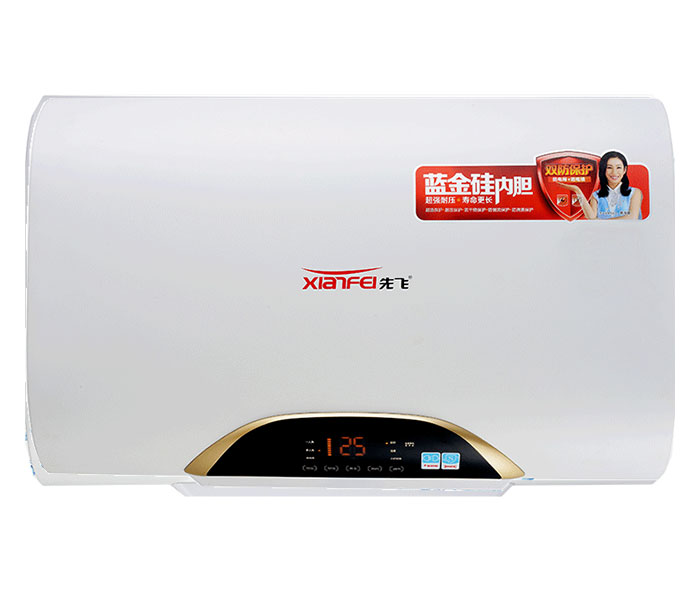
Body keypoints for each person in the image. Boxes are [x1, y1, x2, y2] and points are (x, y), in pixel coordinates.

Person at [557, 151, 643, 220]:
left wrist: (600, 222)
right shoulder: (596, 195)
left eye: (618, 167)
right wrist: (577, 191)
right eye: (609, 167)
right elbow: (591, 217)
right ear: (603, 170)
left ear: (625, 170)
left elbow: (632, 217)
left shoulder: (635, 193)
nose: (614, 172)